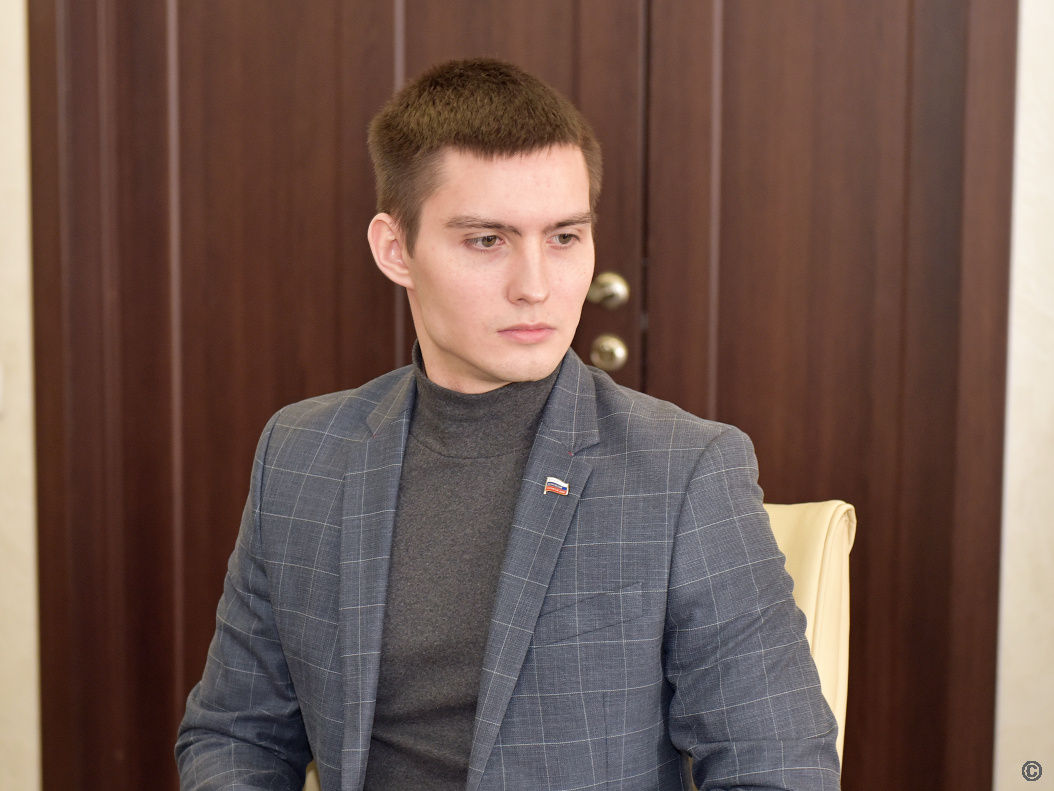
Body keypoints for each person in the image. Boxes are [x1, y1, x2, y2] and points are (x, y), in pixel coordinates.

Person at [176, 58, 839, 791]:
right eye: (487, 240)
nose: (536, 286)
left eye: (564, 237)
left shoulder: (686, 472)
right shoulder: (301, 453)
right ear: (396, 249)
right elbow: (234, 734)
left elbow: (778, 770)